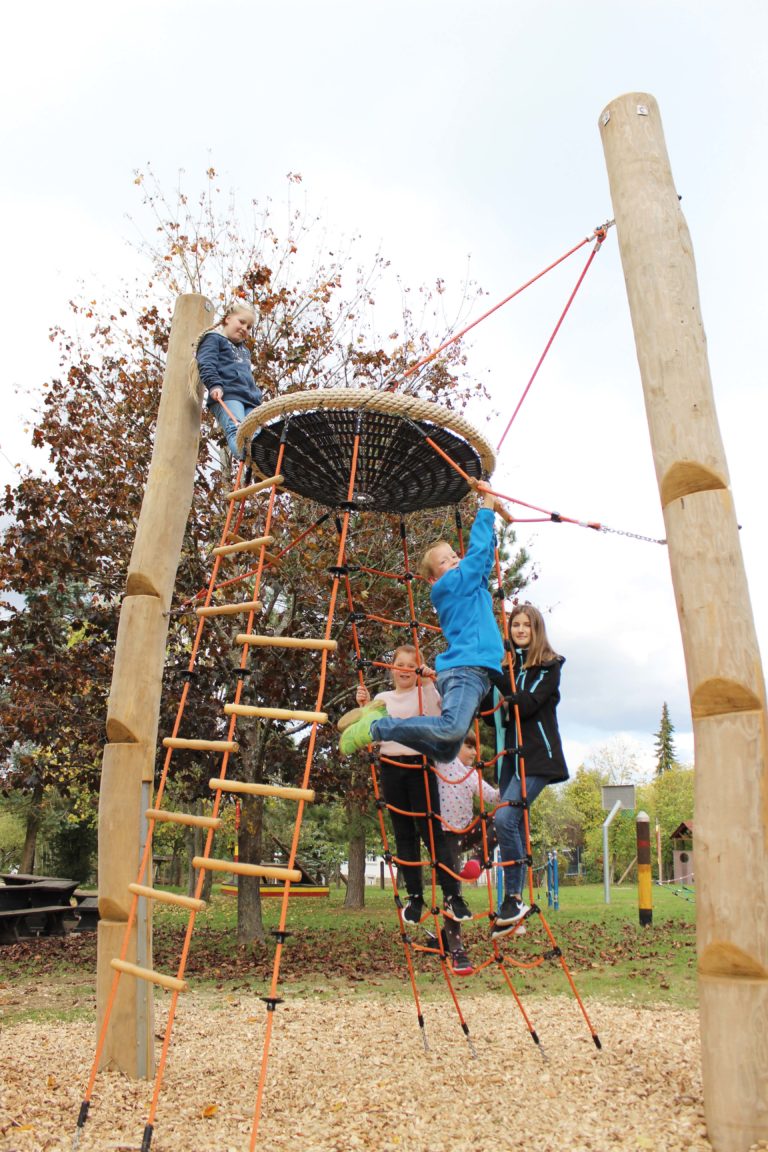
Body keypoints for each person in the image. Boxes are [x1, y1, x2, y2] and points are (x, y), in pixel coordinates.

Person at [340, 487, 506, 768]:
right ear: (433, 580)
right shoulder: (450, 586)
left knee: (444, 751)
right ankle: (378, 727)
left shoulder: (469, 587)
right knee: (452, 729)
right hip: (465, 669)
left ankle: (380, 722)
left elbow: (484, 561)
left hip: (476, 673)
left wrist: (492, 533)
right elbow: (477, 558)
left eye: (454, 555)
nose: (454, 559)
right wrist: (486, 510)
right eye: (444, 561)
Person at [346, 646, 473, 975]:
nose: (403, 670)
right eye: (398, 665)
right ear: (391, 669)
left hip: (420, 766)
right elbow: (361, 725)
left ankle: (452, 896)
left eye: (410, 666)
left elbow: (450, 711)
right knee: (404, 834)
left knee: (431, 832)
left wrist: (432, 676)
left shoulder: (426, 692)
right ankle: (415, 897)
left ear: (417, 669)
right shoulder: (384, 697)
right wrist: (364, 706)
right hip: (391, 766)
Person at [486, 604, 569, 940]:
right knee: (513, 824)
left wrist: (495, 674)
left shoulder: (549, 666)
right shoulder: (509, 666)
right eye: (515, 625)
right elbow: (489, 709)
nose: (520, 630)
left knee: (505, 819)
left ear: (537, 630)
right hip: (511, 758)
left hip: (538, 758)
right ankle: (513, 912)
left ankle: (514, 899)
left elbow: (526, 703)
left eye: (526, 625)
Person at [195, 301, 264, 460]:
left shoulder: (244, 351)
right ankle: (249, 459)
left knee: (258, 435)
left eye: (249, 327)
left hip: (249, 399)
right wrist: (214, 385)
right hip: (229, 394)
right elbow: (206, 362)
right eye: (241, 322)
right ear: (227, 319)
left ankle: (262, 460)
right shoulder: (214, 339)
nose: (244, 329)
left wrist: (257, 399)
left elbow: (247, 375)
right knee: (237, 428)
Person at [435, 735, 499, 885]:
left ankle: (477, 860)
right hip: (447, 832)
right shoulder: (442, 762)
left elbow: (492, 796)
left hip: (467, 831)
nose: (475, 752)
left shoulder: (472, 774)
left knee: (501, 819)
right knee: (452, 877)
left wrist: (509, 787)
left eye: (475, 748)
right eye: (469, 747)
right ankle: (451, 904)